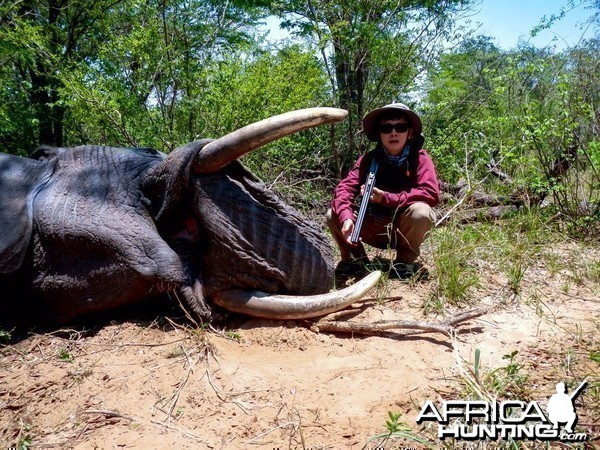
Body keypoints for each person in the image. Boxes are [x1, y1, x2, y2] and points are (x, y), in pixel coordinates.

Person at [326, 102, 439, 279]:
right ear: (379, 133)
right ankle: (356, 261)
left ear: (409, 132)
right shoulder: (367, 160)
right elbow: (344, 189)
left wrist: (386, 198)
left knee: (422, 212)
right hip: (373, 226)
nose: (393, 133)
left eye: (400, 127)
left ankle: (404, 263)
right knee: (332, 214)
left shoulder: (421, 159)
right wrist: (346, 217)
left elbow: (430, 193)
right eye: (386, 128)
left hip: (403, 229)